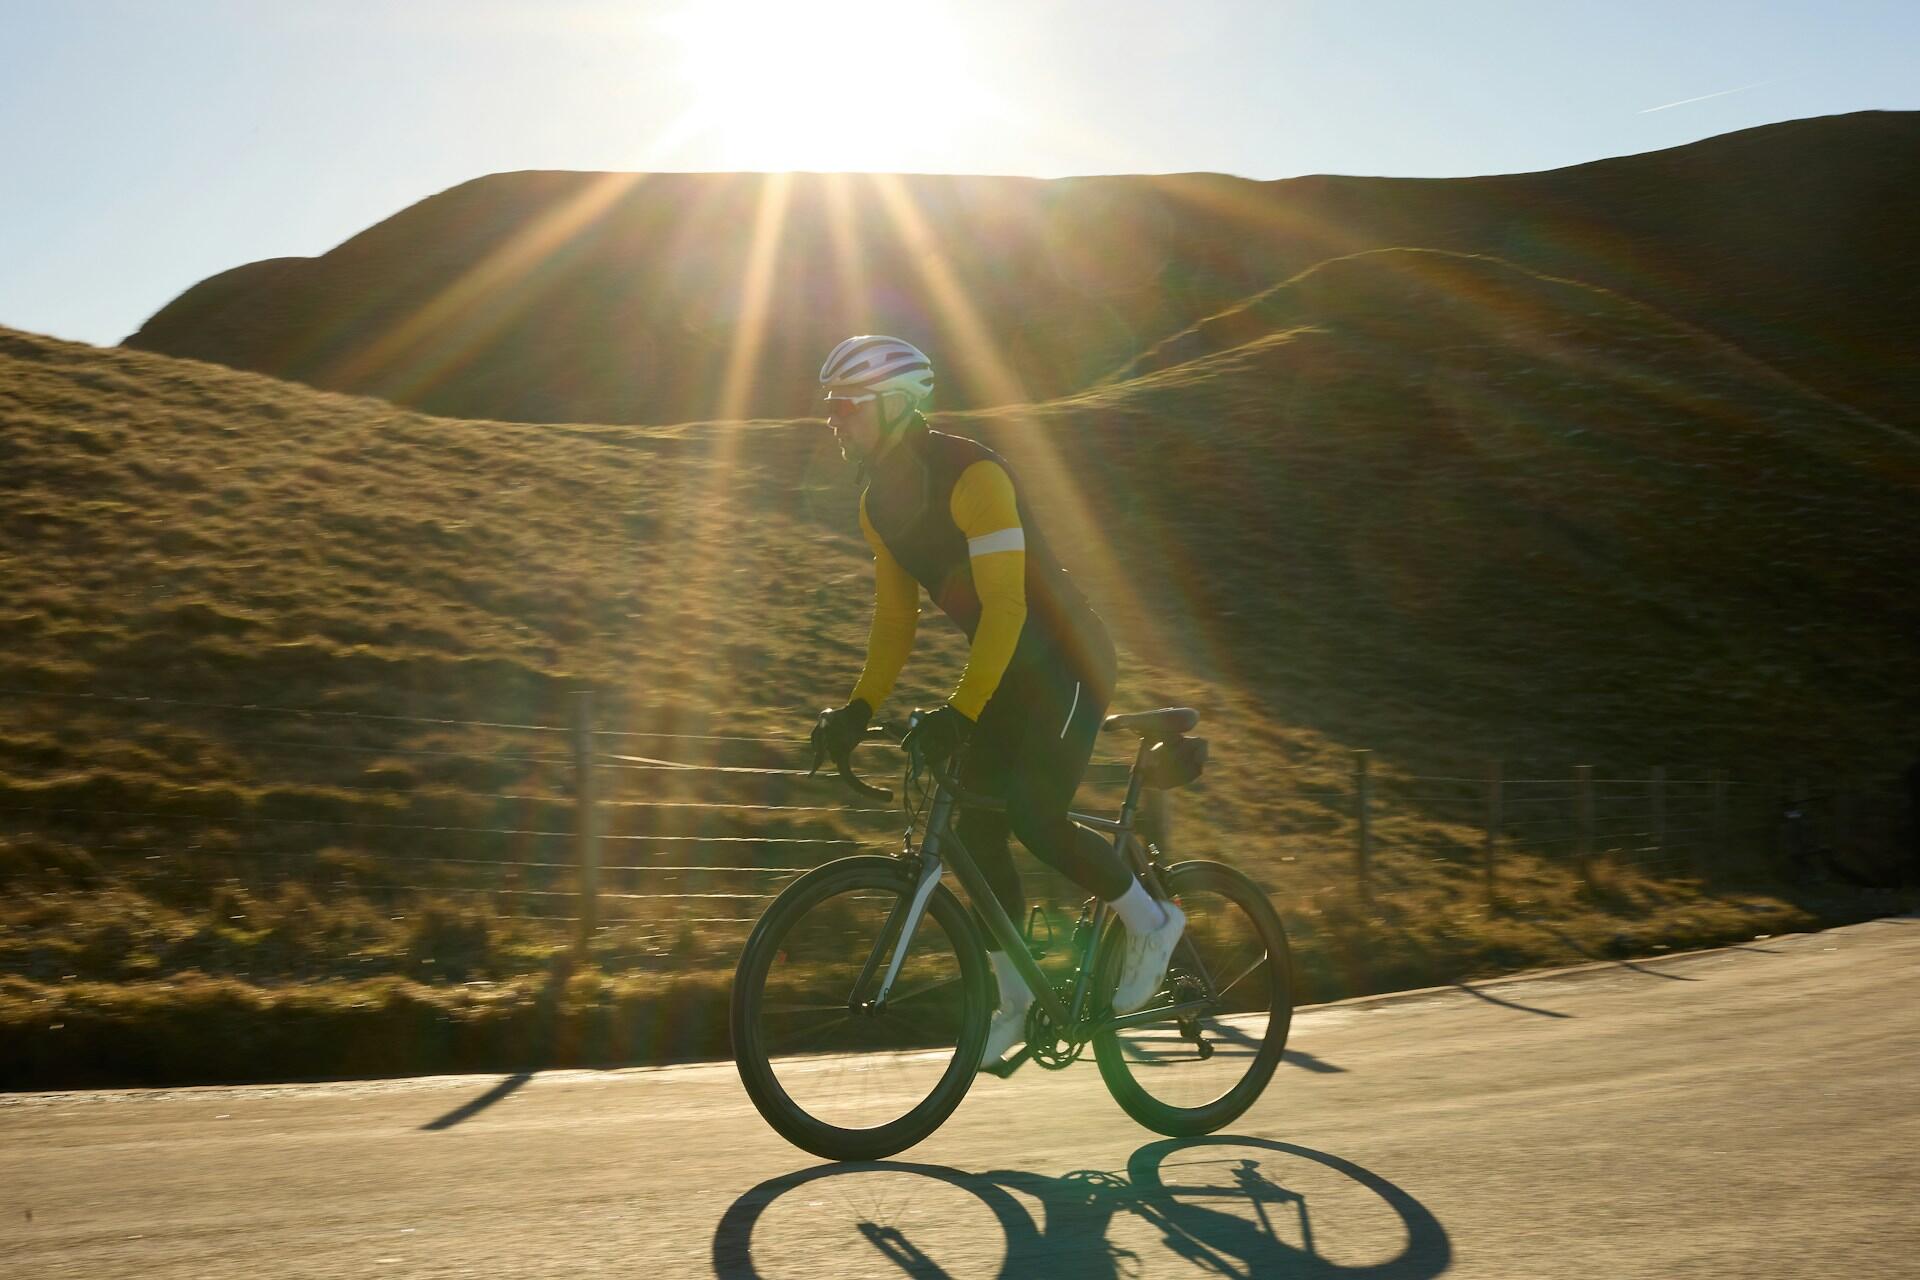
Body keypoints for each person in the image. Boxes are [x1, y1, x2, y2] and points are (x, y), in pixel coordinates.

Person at [809, 334, 1186, 1069]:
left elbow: (1008, 608)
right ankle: (1015, 1000)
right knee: (979, 836)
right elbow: (896, 620)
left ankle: (1153, 921)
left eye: (845, 406)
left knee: (1032, 816)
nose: (833, 421)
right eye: (829, 407)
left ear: (894, 405)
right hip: (1008, 673)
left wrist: (959, 709)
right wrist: (858, 709)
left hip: (1068, 663)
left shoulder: (974, 476)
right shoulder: (878, 503)